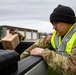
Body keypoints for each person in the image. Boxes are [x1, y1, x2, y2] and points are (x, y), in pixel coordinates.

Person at [20, 4, 76, 75]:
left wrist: (44, 52)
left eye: (55, 23)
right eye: (52, 24)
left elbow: (72, 69)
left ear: (67, 21)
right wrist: (19, 61)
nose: (53, 27)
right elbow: (37, 45)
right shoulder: (55, 36)